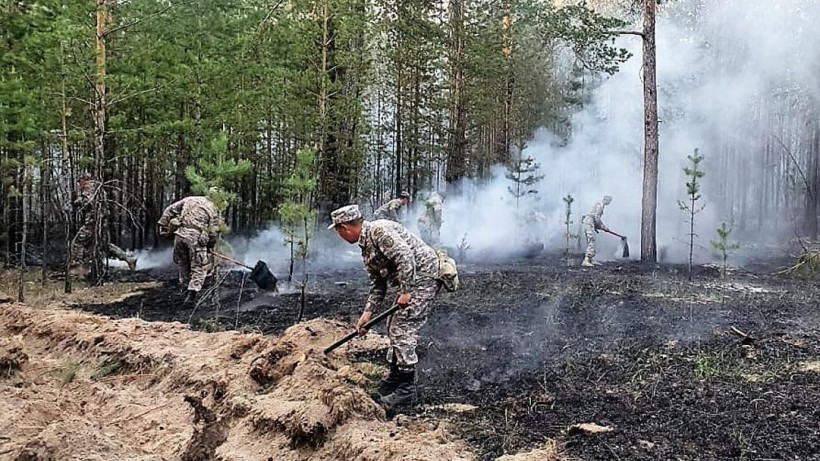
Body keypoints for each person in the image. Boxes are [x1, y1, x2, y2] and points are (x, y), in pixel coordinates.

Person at [329, 204, 440, 410]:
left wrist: (406, 291)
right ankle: (396, 378)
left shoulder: (379, 231)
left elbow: (405, 256)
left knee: (402, 327)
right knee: (392, 324)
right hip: (412, 278)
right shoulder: (366, 248)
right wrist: (367, 314)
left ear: (345, 228)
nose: (340, 236)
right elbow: (378, 284)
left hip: (424, 275)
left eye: (338, 231)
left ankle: (407, 391)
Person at [157, 192, 221, 306]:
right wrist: (210, 246)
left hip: (179, 237)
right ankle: (190, 298)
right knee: (199, 268)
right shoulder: (214, 208)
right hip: (195, 239)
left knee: (183, 264)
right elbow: (214, 231)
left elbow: (169, 210)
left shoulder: (189, 199)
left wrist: (163, 225)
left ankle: (185, 290)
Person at [71, 172, 137, 272]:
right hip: (102, 222)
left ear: (85, 180)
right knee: (105, 244)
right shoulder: (99, 188)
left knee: (77, 243)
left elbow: (88, 202)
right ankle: (129, 259)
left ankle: (77, 269)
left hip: (92, 222)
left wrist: (77, 202)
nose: (79, 184)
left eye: (80, 181)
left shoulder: (89, 187)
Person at [582, 195, 613, 267]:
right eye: (609, 201)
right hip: (589, 223)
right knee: (591, 240)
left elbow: (595, 219)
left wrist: (600, 227)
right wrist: (603, 226)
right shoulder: (600, 206)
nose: (609, 203)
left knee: (593, 240)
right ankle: (586, 260)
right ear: (606, 200)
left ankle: (592, 259)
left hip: (590, 223)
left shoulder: (599, 205)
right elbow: (597, 218)